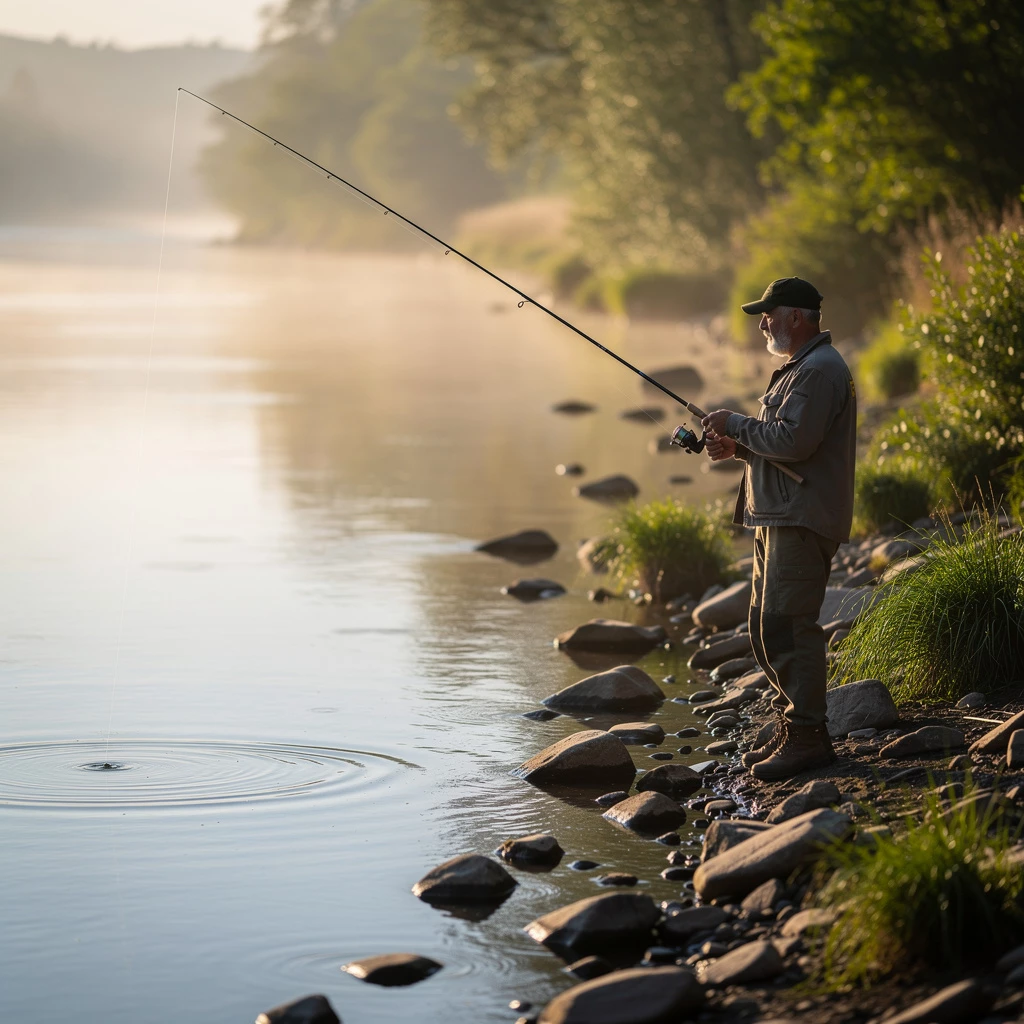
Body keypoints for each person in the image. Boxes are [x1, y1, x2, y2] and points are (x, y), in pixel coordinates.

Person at [696, 277, 857, 781]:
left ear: (796, 317)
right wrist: (739, 448)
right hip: (779, 517)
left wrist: (737, 425)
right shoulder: (800, 369)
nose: (762, 322)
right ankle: (798, 727)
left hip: (800, 520)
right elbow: (783, 444)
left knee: (790, 628)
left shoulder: (820, 371)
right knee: (767, 627)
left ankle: (808, 737)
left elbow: (795, 443)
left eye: (768, 313)